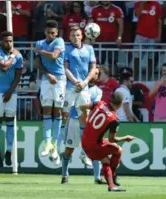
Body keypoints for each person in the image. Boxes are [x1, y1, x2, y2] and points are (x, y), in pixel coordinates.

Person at [80, 92, 136, 192]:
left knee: (109, 156)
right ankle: (112, 179)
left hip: (84, 140)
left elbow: (81, 106)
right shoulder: (114, 119)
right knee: (117, 150)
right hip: (94, 145)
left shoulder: (99, 103)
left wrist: (86, 115)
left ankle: (112, 183)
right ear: (121, 103)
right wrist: (125, 138)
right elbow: (112, 139)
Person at [61, 67, 106, 184]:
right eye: (93, 72)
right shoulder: (76, 87)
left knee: (94, 149)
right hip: (74, 120)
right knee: (69, 150)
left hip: (88, 124)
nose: (94, 75)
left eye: (97, 74)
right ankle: (64, 175)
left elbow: (95, 106)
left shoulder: (98, 91)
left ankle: (97, 177)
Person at [61, 26, 96, 166]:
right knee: (63, 115)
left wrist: (85, 82)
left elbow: (93, 68)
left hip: (84, 88)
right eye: (73, 35)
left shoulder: (89, 49)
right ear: (69, 37)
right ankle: (57, 145)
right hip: (70, 87)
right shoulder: (67, 49)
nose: (75, 37)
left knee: (84, 118)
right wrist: (75, 81)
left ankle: (84, 152)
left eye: (78, 35)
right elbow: (66, 68)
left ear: (82, 36)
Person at [34, 20, 65, 164]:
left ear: (57, 32)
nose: (51, 35)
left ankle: (55, 147)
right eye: (48, 32)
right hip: (47, 79)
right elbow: (38, 63)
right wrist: (47, 74)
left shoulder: (59, 41)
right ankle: (47, 143)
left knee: (57, 111)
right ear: (45, 31)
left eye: (53, 32)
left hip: (60, 79)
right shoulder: (40, 43)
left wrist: (40, 51)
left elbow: (53, 56)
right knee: (46, 109)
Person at [0, 31, 23, 167]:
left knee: (10, 121)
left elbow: (18, 74)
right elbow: (4, 67)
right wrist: (12, 56)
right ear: (1, 41)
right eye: (6, 41)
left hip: (11, 93)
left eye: (10, 41)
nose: (8, 43)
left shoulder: (18, 55)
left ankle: (9, 152)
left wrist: (11, 90)